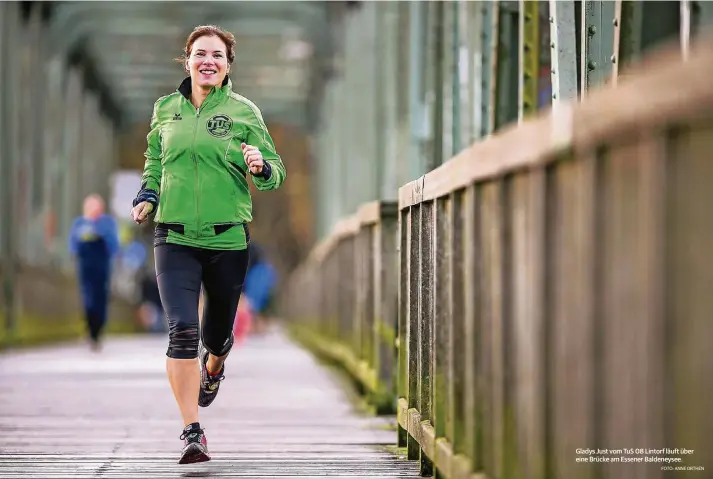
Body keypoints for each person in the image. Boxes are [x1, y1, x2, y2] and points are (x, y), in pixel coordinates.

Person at [129, 24, 286, 465]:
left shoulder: (244, 113)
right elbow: (154, 163)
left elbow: (276, 171)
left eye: (217, 55)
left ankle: (214, 367)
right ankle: (191, 431)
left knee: (216, 337)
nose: (208, 61)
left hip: (227, 238)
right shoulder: (165, 109)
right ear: (187, 59)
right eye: (200, 53)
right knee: (181, 329)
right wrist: (147, 195)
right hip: (173, 235)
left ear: (228, 64)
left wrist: (259, 167)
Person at [68, 194, 120, 351]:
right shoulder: (79, 224)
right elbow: (73, 245)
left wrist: (99, 234)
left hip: (102, 267)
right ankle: (90, 330)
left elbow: (114, 246)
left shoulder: (107, 223)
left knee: (101, 298)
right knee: (88, 298)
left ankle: (98, 330)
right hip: (85, 267)